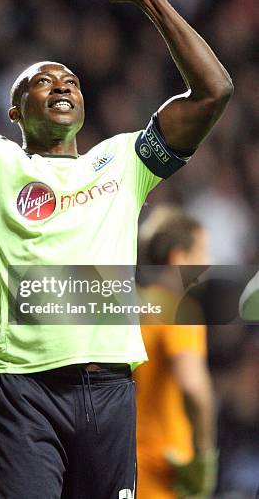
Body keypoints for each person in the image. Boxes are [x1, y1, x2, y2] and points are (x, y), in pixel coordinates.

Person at [0, 0, 233, 498]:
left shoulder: (122, 161)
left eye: (71, 81)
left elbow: (213, 91)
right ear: (15, 111)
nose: (61, 85)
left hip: (110, 391)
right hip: (25, 392)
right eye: (43, 81)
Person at [135, 206, 217, 498]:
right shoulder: (179, 310)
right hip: (164, 477)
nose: (208, 264)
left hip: (119, 470)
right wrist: (204, 457)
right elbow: (193, 387)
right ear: (179, 258)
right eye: (202, 253)